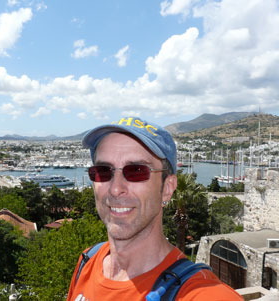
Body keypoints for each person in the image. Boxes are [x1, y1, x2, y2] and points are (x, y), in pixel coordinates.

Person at [67, 117, 243, 300]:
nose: (115, 188)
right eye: (103, 171)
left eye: (136, 171)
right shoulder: (87, 261)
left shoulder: (200, 294)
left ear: (167, 189)